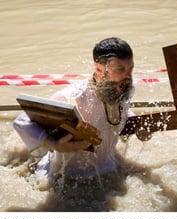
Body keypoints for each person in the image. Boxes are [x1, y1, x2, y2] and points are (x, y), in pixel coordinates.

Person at [13, 37, 136, 206]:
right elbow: (21, 121)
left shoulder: (123, 87)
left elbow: (124, 110)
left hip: (109, 166)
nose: (128, 75)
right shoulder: (73, 96)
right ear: (100, 68)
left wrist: (137, 125)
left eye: (131, 68)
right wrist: (53, 143)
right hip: (70, 176)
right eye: (120, 68)